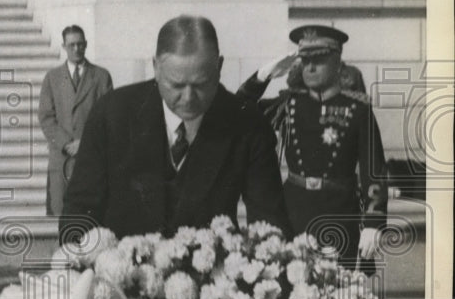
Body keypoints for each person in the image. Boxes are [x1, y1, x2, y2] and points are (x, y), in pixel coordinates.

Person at [61, 16, 291, 240]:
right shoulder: (111, 114)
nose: (189, 98)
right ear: (156, 67)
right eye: (176, 85)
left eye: (201, 84)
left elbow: (270, 226)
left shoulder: (248, 124)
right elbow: (79, 212)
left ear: (219, 66)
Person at [237, 25, 387, 269]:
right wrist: (262, 76)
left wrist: (373, 222)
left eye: (319, 60)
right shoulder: (288, 103)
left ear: (338, 63)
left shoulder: (358, 110)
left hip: (339, 213)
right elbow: (237, 111)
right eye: (305, 60)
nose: (310, 67)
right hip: (292, 212)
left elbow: (374, 170)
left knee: (338, 295)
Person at [39, 26, 114, 217]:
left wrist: (85, 142)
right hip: (61, 157)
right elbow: (46, 117)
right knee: (61, 214)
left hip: (91, 156)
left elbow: (108, 116)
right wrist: (65, 143)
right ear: (64, 46)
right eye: (71, 45)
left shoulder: (101, 76)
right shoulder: (52, 78)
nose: (76, 49)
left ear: (86, 45)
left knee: (91, 215)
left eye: (80, 44)